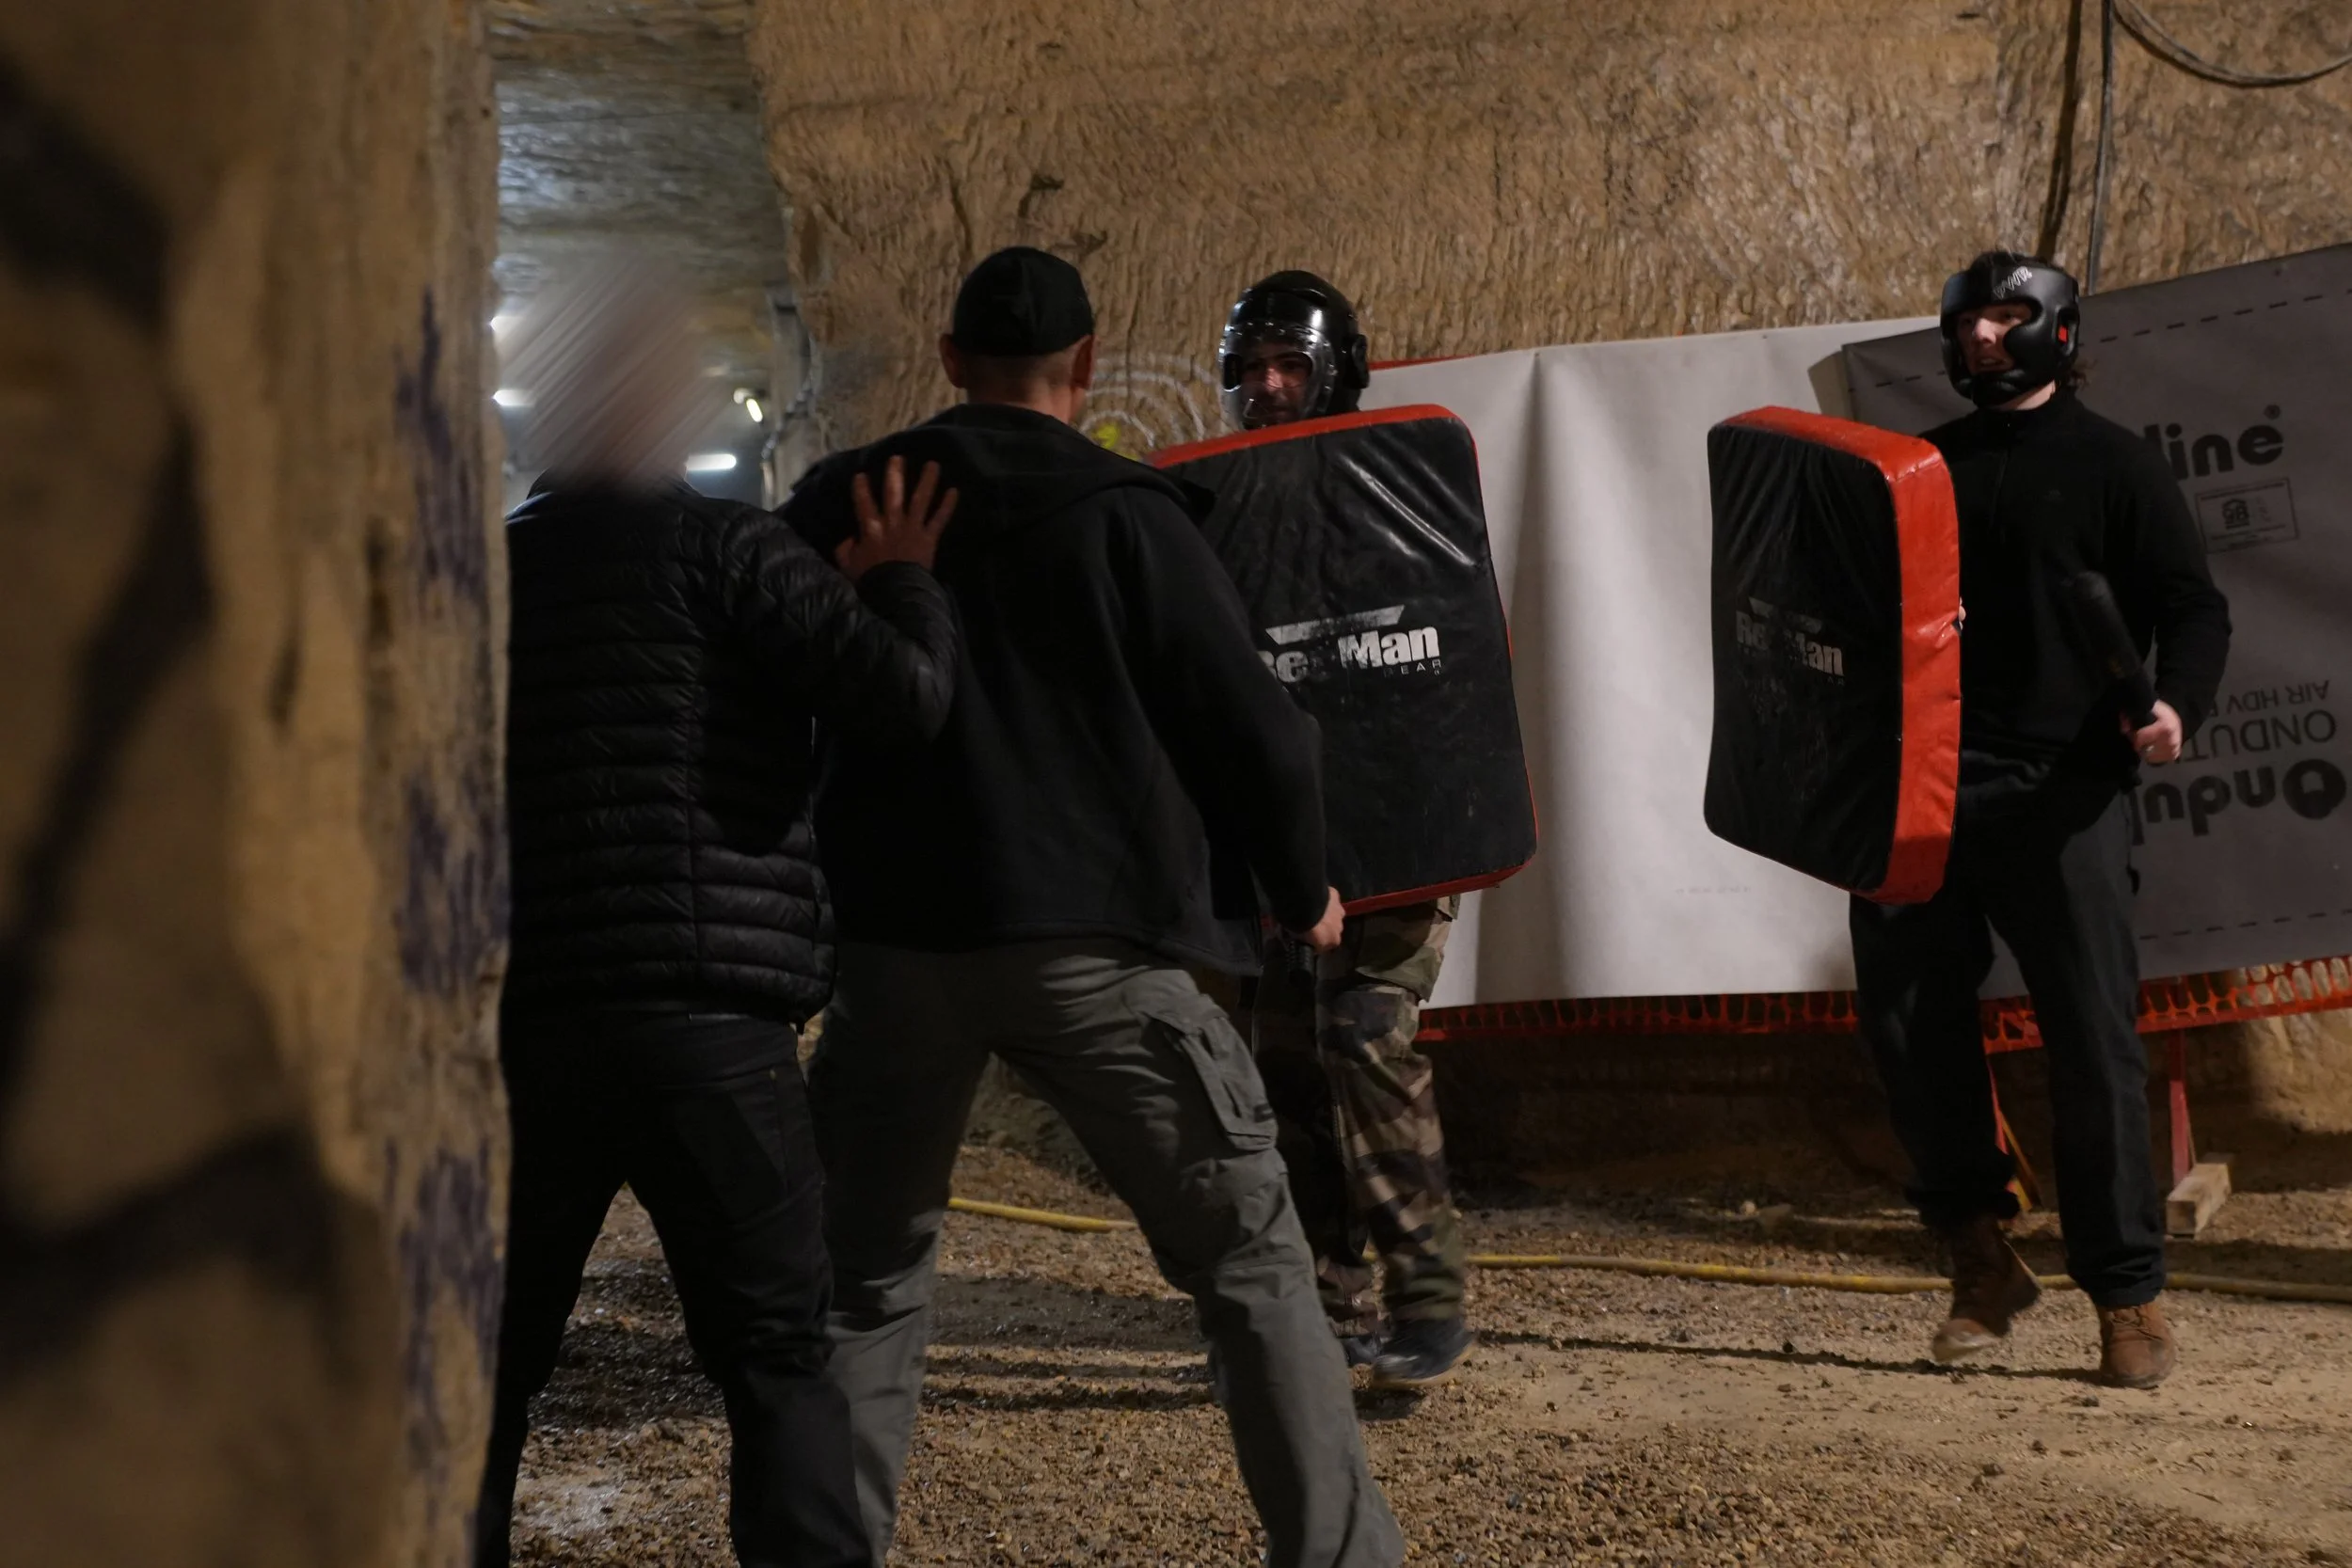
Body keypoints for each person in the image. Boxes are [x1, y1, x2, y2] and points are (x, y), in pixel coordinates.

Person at [782, 246, 1405, 1568]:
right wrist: (1302, 891)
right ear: (1087, 366)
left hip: (891, 952)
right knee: (1248, 1268)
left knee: (864, 1288)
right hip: (1099, 952)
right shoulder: (1132, 512)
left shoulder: (850, 498)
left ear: (948, 359)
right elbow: (1256, 730)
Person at [480, 260, 962, 1568]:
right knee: (777, 1362)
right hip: (713, 1022)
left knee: (483, 1365)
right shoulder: (731, 551)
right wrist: (904, 574)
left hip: (535, 1023)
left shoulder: (484, 583)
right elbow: (906, 701)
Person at [1850, 250, 2230, 1388]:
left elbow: (2191, 605)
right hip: (1924, 793)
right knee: (1910, 1027)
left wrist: (2175, 704)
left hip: (2065, 794)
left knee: (2093, 1048)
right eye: (1966, 320)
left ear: (2056, 329)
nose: (1980, 338)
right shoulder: (1922, 471)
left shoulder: (2115, 465)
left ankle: (2127, 1297)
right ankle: (1979, 1262)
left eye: (2006, 317)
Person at [1213, 271, 1474, 1392]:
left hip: (1394, 832)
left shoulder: (1395, 495)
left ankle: (1428, 1302)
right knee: (1283, 1067)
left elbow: (1440, 660)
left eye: (1292, 368)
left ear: (1336, 374)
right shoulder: (1218, 509)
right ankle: (1324, 1302)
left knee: (1365, 1035)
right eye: (1254, 370)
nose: (1271, 389)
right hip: (1282, 839)